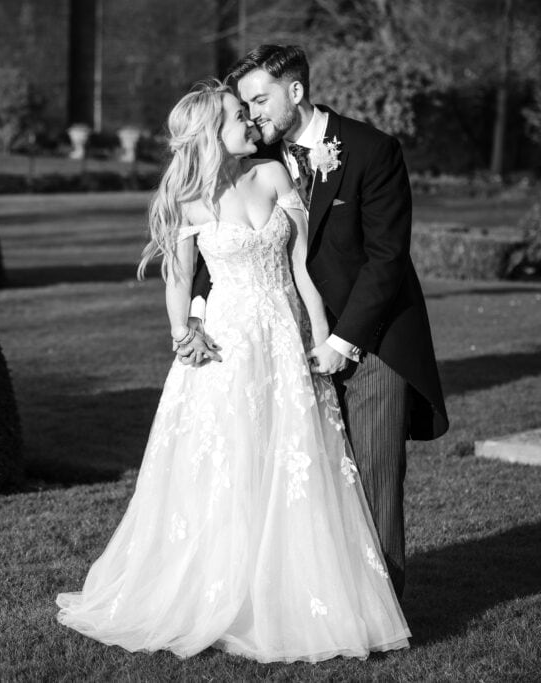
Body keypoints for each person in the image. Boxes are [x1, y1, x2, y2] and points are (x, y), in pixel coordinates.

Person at [55, 81, 411, 662]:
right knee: (228, 463)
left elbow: (301, 270)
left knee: (289, 463)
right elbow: (179, 277)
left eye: (249, 112)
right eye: (238, 116)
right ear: (208, 134)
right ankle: (221, 595)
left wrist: (321, 339)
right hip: (225, 345)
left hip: (284, 340)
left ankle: (291, 596)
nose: (250, 122)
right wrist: (183, 334)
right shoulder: (188, 199)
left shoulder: (273, 175)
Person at [185, 45, 449, 600]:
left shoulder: (371, 150)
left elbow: (387, 260)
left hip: (370, 341)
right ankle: (309, 604)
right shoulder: (255, 160)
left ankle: (383, 614)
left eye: (260, 100)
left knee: (374, 480)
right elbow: (222, 247)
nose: (252, 115)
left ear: (296, 92)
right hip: (281, 347)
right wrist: (197, 314)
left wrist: (342, 339)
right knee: (302, 480)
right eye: (246, 105)